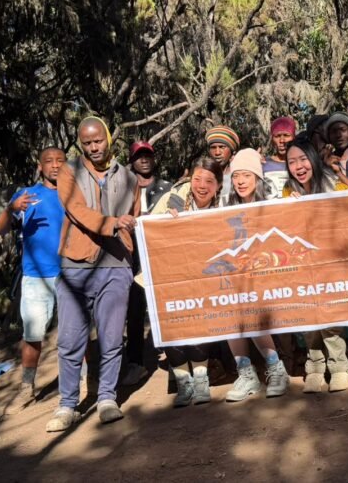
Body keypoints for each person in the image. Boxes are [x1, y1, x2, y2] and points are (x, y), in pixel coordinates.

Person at [46, 117, 139, 432]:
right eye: (86, 143)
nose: (93, 147)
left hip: (116, 264)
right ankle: (67, 405)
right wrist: (113, 223)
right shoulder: (69, 171)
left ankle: (107, 398)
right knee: (70, 340)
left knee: (112, 338)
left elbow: (135, 217)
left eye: (98, 140)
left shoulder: (128, 176)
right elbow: (76, 210)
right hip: (77, 264)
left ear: (108, 138)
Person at [150, 156, 224, 406]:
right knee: (172, 326)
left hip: (206, 279)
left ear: (218, 185)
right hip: (170, 277)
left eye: (209, 181)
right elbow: (147, 227)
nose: (202, 186)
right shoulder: (172, 199)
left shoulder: (224, 206)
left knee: (200, 326)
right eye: (197, 179)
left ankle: (201, 379)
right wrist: (165, 222)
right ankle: (183, 381)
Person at [0, 146, 66, 399]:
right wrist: (10, 209)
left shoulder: (75, 193)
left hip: (72, 273)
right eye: (49, 161)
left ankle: (84, 378)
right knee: (33, 335)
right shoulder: (27, 195)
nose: (55, 165)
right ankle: (27, 385)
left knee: (78, 332)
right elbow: (1, 229)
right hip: (36, 276)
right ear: (40, 166)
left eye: (60, 160)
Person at [221, 149, 292, 401]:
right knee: (227, 314)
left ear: (258, 178)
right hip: (235, 277)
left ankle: (276, 369)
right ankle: (247, 374)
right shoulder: (224, 209)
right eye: (236, 176)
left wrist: (296, 205)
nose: (240, 181)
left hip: (266, 278)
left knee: (250, 312)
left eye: (246, 175)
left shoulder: (271, 205)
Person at [282, 137, 348, 393]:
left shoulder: (334, 184)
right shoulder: (288, 190)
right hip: (302, 264)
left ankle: (339, 367)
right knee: (308, 316)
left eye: (303, 159)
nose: (298, 166)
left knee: (330, 315)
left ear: (312, 159)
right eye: (292, 162)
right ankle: (314, 366)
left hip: (331, 262)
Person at [123, 140, 173, 386]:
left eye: (148, 156)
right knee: (134, 312)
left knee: (166, 309)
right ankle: (135, 363)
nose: (144, 160)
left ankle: (175, 359)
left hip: (160, 257)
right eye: (138, 156)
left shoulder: (167, 188)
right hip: (131, 258)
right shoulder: (122, 189)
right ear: (131, 161)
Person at [263, 117, 296, 194]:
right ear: (272, 140)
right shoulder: (264, 163)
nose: (282, 140)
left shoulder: (301, 164)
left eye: (286, 135)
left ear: (294, 137)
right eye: (277, 136)